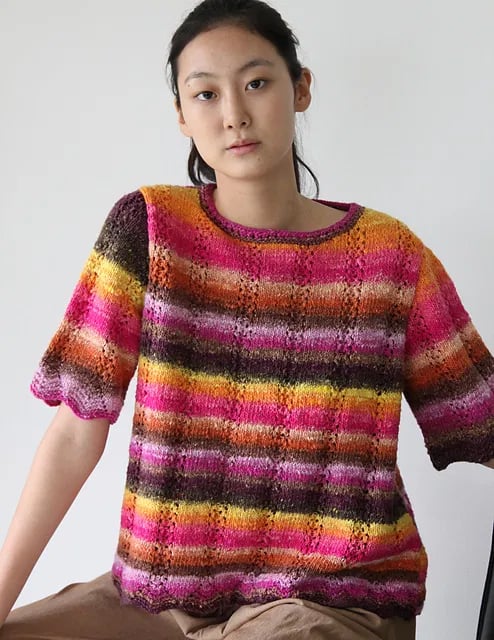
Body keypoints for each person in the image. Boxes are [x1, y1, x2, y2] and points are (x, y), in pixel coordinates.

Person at [0, 0, 493, 638]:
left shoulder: (389, 258)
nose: (233, 113)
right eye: (206, 94)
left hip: (332, 601)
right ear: (182, 114)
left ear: (301, 88)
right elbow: (74, 433)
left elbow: (479, 417)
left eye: (257, 83)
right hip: (165, 601)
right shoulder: (148, 231)